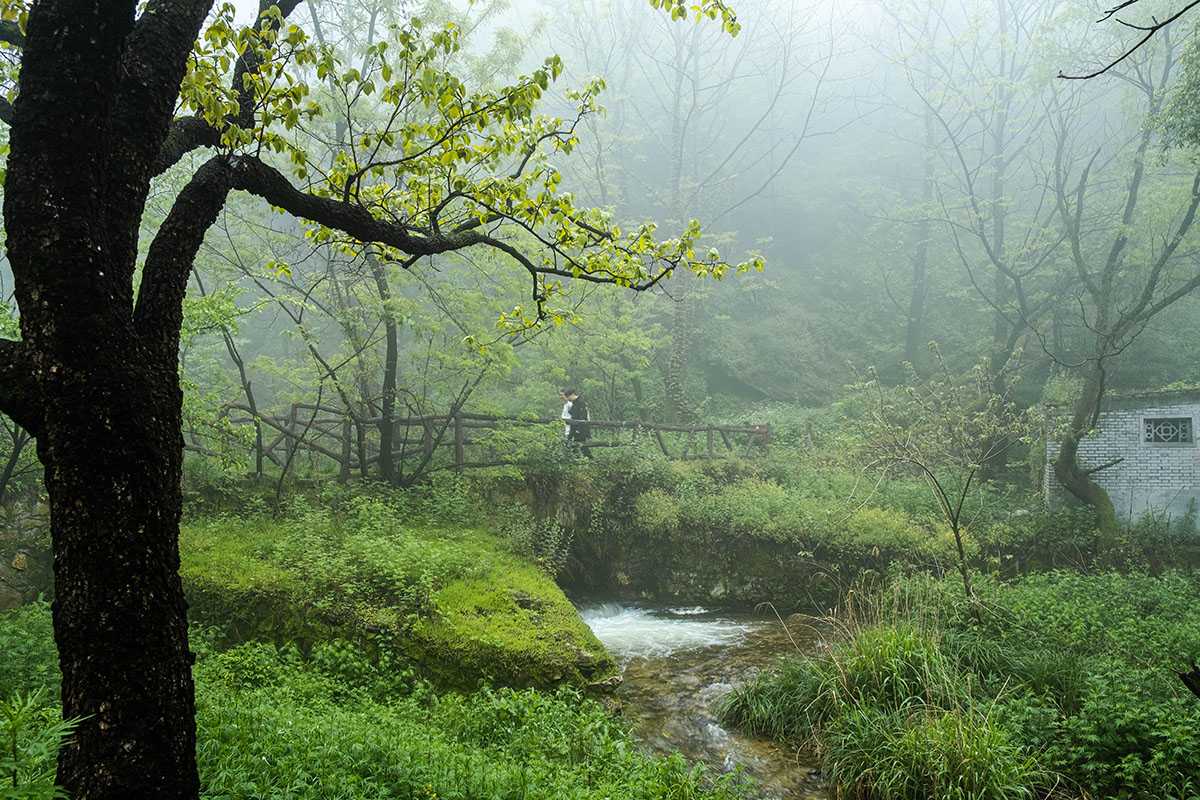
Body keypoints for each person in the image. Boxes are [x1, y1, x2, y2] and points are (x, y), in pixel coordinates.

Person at [567, 390, 592, 457]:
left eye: (568, 396)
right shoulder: (575, 403)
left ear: (572, 394)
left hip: (580, 429)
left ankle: (589, 459)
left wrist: (578, 429)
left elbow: (582, 417)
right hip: (576, 428)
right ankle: (581, 459)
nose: (568, 398)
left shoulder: (580, 403)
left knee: (581, 446)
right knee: (577, 446)